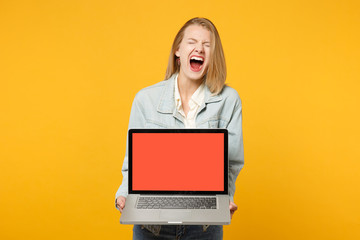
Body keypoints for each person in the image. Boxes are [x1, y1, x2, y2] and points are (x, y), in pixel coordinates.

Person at [115, 17, 244, 240]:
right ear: (177, 50)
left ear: (214, 54)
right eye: (192, 42)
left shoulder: (229, 100)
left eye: (207, 45)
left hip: (204, 226)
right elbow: (133, 163)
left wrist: (225, 199)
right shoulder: (145, 99)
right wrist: (125, 195)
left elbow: (231, 163)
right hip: (151, 225)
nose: (199, 49)